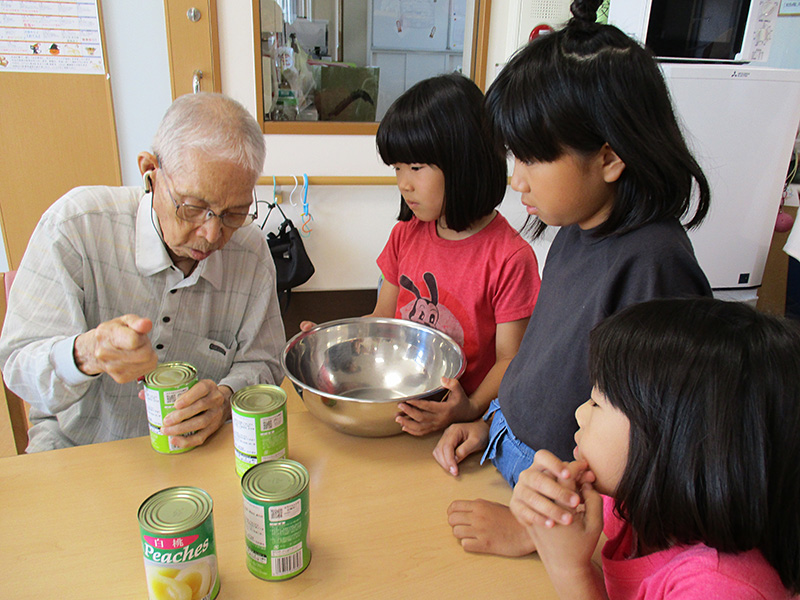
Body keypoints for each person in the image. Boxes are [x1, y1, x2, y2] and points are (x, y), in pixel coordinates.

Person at [433, 0, 713, 556]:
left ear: (609, 159)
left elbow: (650, 454)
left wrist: (536, 532)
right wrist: (492, 422)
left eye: (534, 159)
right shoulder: (576, 228)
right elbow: (546, 359)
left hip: (565, 514)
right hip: (513, 461)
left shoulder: (654, 265)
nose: (518, 181)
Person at [0, 92, 286, 452]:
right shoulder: (76, 227)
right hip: (78, 445)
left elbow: (263, 361)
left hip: (197, 448)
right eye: (193, 207)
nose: (213, 235)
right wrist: (86, 353)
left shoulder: (251, 251)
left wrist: (225, 398)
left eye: (234, 213)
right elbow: (18, 368)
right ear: (150, 172)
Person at [510, 298, 800, 598]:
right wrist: (546, 517)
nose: (580, 413)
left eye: (597, 402)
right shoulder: (638, 507)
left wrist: (568, 570)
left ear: (674, 443)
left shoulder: (718, 587)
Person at [373, 73, 540, 436]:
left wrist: (469, 409)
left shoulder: (510, 258)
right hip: (400, 407)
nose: (404, 183)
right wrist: (340, 341)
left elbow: (511, 360)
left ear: (464, 162)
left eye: (415, 167)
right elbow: (381, 321)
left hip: (465, 424)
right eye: (397, 168)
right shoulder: (404, 235)